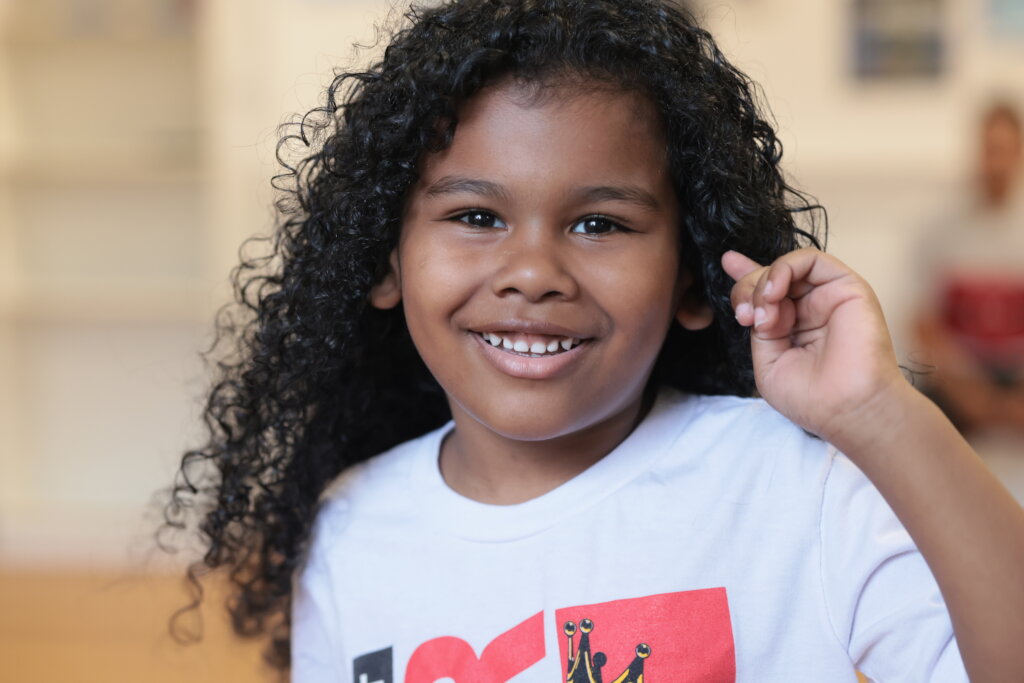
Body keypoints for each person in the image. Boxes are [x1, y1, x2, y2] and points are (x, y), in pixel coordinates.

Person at [163, 1, 1024, 681]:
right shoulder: (350, 530)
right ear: (385, 260)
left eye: (599, 223)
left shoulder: (796, 485)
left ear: (691, 278)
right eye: (476, 216)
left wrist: (878, 413)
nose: (533, 272)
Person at [913, 102, 1024, 436]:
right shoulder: (941, 231)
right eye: (990, 150)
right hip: (961, 380)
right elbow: (923, 325)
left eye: (1005, 151)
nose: (997, 164)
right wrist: (972, 395)